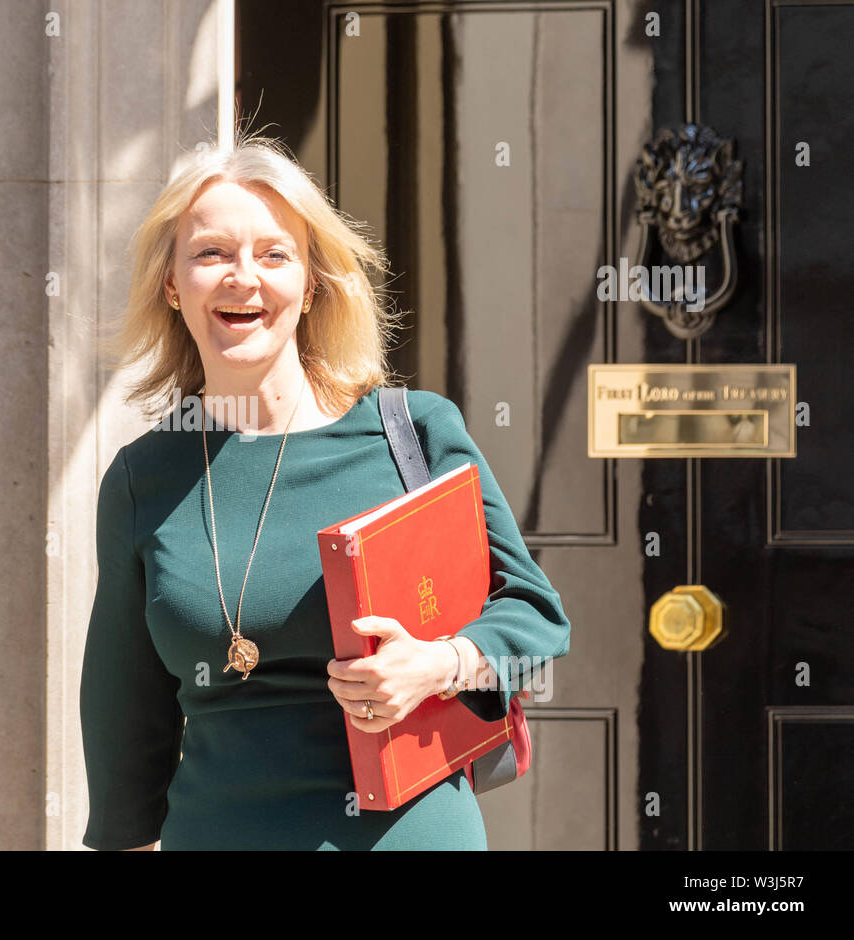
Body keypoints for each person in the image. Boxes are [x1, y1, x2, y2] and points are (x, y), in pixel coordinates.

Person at [79, 133, 571, 850]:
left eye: (274, 254)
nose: (243, 277)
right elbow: (124, 716)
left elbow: (538, 621)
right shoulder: (141, 478)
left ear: (310, 285)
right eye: (211, 253)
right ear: (170, 284)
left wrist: (439, 664)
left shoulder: (416, 434)